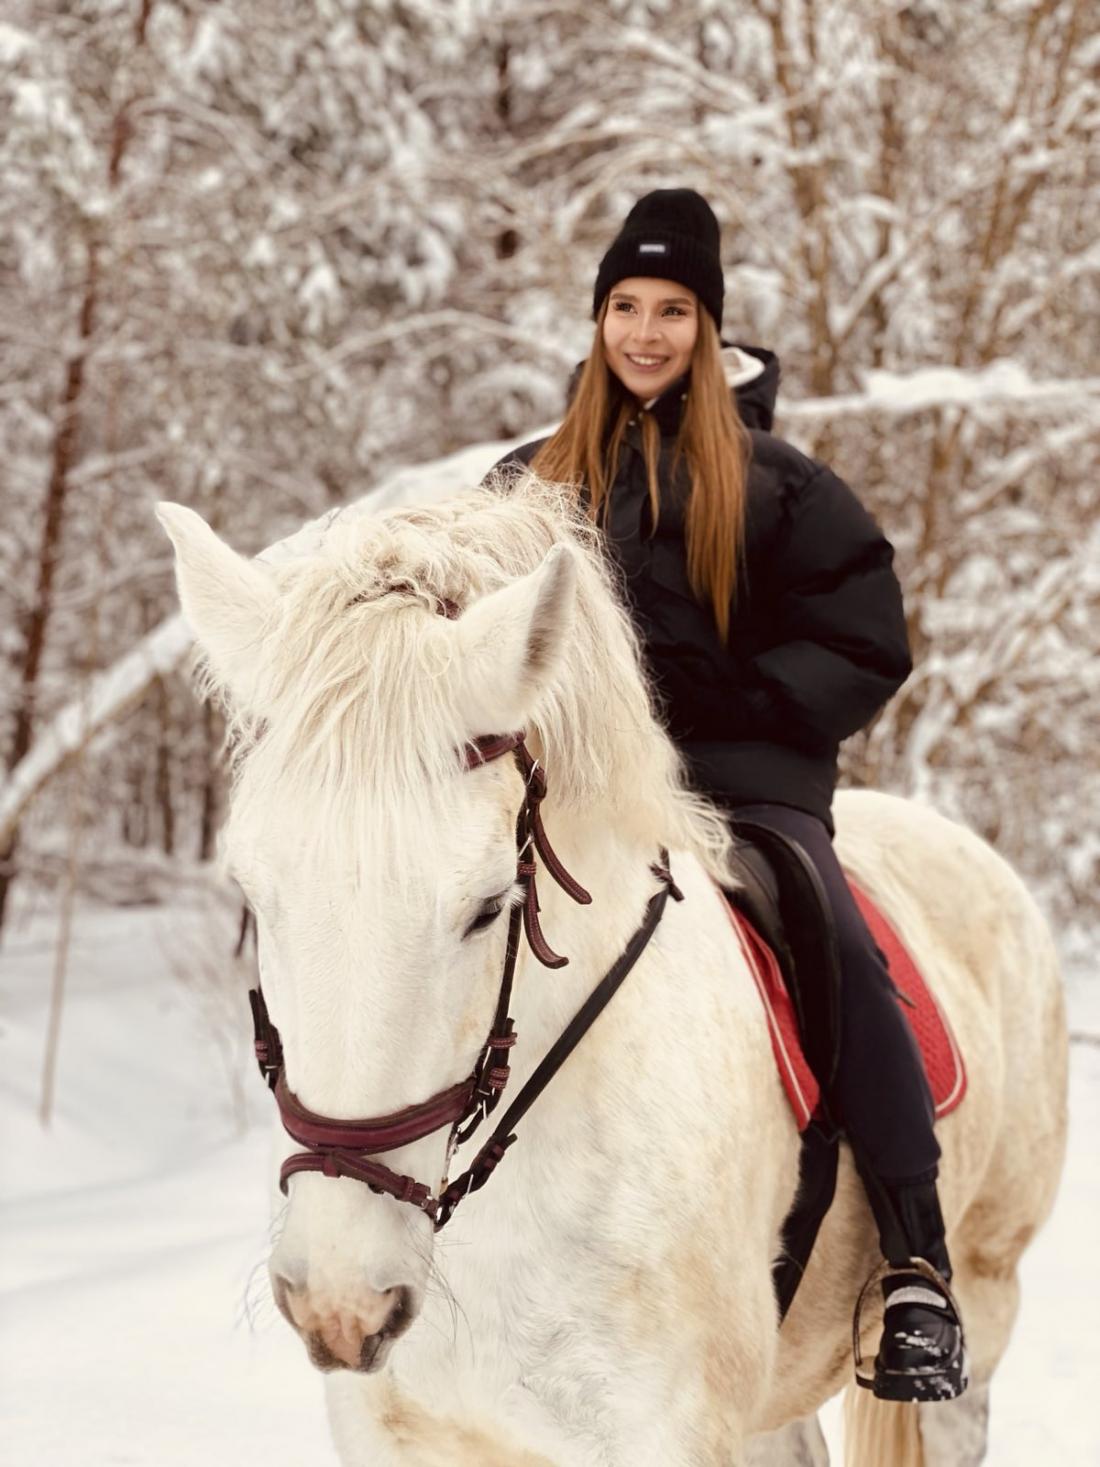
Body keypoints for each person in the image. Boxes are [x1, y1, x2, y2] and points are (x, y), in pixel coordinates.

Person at [493, 188, 966, 1403]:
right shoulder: (529, 484)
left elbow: (864, 639)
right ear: (597, 319)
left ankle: (911, 1259)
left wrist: (739, 710)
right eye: (624, 306)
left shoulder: (781, 487)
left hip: (743, 791)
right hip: (577, 792)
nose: (644, 332)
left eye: (672, 310)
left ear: (708, 328)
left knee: (830, 931)